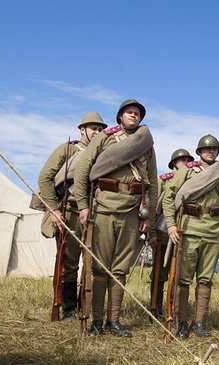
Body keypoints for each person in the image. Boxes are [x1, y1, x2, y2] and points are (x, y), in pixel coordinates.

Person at [75, 99, 158, 338]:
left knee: (120, 268)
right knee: (100, 267)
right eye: (129, 112)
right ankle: (97, 321)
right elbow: (83, 170)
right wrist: (83, 205)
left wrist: (149, 217)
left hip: (131, 211)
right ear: (120, 116)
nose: (133, 115)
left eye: (137, 113)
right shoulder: (105, 138)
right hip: (103, 207)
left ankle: (114, 320)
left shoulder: (145, 145)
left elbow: (152, 183)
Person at [162, 135, 219, 338]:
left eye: (214, 149)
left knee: (205, 280)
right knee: (183, 279)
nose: (210, 151)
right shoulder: (187, 171)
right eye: (206, 149)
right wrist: (171, 225)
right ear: (199, 152)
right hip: (189, 231)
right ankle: (182, 323)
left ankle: (199, 322)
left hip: (213, 233)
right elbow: (169, 198)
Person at [37, 112, 107, 320]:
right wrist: (54, 210)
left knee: (90, 263)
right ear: (82, 129)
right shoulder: (68, 149)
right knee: (69, 262)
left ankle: (84, 307)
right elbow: (45, 178)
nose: (97, 132)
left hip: (95, 213)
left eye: (100, 129)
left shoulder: (103, 154)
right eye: (93, 128)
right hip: (70, 211)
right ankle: (68, 309)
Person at [148, 148, 194, 320]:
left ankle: (173, 309)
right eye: (182, 160)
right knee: (159, 275)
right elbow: (153, 208)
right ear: (174, 163)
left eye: (188, 160)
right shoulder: (164, 180)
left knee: (178, 275)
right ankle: (155, 308)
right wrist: (152, 234)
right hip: (163, 233)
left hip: (184, 233)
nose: (185, 163)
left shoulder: (192, 180)